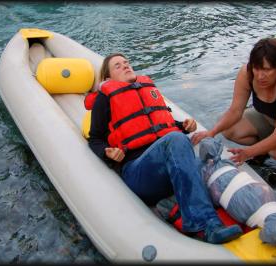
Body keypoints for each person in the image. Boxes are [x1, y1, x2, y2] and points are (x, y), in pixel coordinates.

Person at [88, 53, 243, 244]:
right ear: (108, 78)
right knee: (177, 141)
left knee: (198, 153)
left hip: (166, 165)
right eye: (118, 66)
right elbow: (95, 138)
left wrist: (183, 126)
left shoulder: (146, 88)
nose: (126, 66)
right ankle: (203, 225)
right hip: (137, 172)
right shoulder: (105, 98)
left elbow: (160, 125)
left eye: (127, 62)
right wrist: (108, 153)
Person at [191, 37, 276, 185]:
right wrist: (211, 132)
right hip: (269, 118)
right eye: (257, 68)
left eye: (267, 69)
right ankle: (264, 149)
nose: (260, 76)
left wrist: (248, 152)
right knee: (229, 129)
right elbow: (235, 110)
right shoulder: (247, 72)